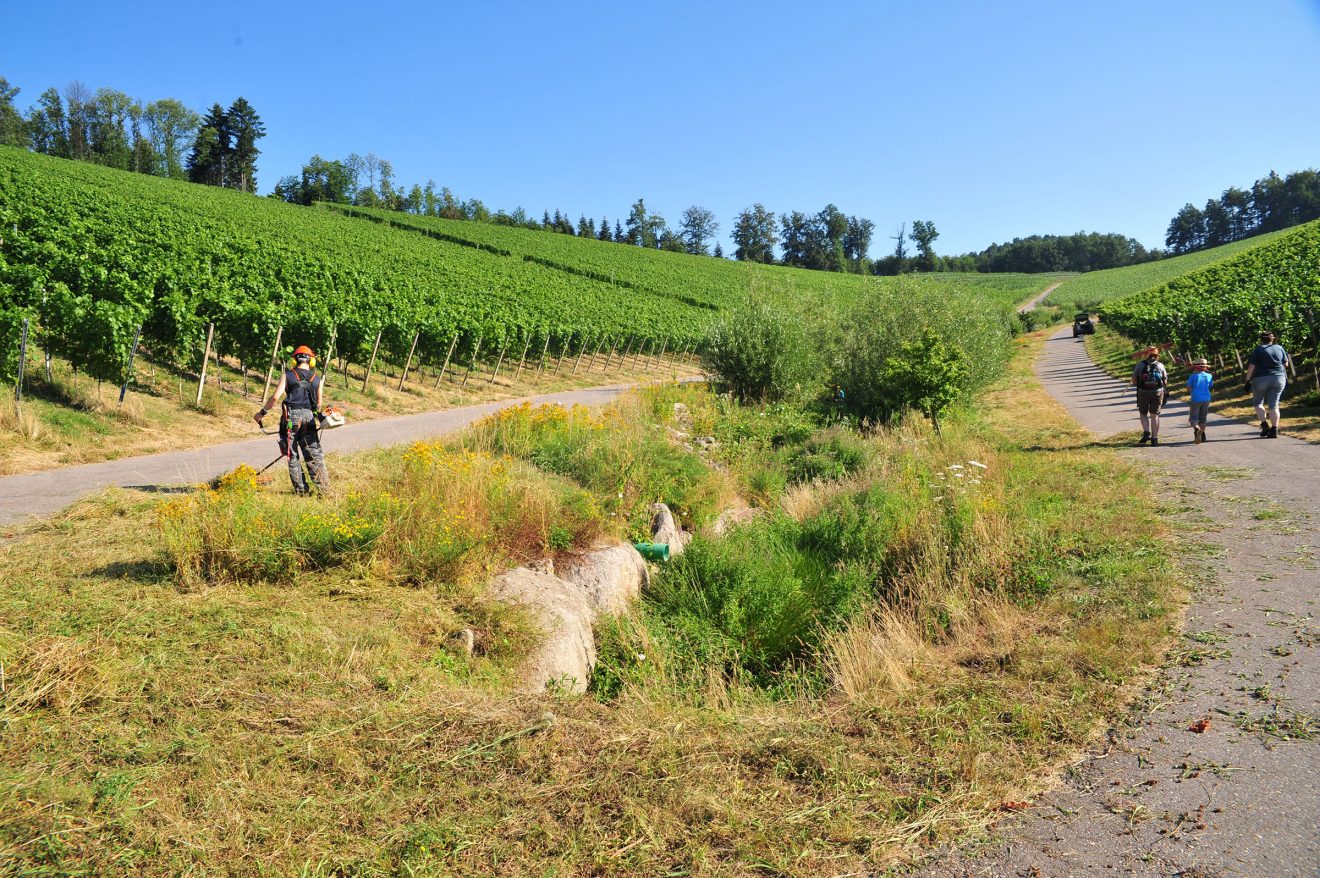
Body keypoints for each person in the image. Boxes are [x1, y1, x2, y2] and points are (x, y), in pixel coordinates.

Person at [255, 345, 330, 494]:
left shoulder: (287, 375)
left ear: (295, 359)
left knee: (292, 455)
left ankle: (302, 491)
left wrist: (261, 413)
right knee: (314, 455)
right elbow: (319, 404)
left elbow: (276, 397)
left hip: (290, 418)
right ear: (311, 361)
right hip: (308, 419)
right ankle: (324, 491)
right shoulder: (317, 379)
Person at [1245, 331, 1290, 439]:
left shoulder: (1258, 349)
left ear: (1261, 339)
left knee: (1258, 403)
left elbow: (1251, 366)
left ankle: (1265, 425)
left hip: (1260, 378)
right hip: (1278, 378)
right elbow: (1286, 364)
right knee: (1274, 405)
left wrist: (1247, 381)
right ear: (1272, 339)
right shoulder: (1279, 348)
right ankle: (1274, 429)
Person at [1131, 348, 1168, 446]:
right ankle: (1154, 439)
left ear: (1146, 354)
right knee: (1154, 415)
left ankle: (1146, 432)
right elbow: (1165, 381)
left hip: (1143, 392)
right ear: (1156, 355)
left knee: (1143, 413)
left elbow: (1134, 380)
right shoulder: (1160, 365)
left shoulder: (1140, 365)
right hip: (1157, 392)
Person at [1186, 357, 1213, 444]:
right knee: (1203, 418)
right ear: (1205, 367)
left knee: (1193, 418)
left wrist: (1192, 391)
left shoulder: (1193, 376)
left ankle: (1197, 428)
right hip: (1206, 398)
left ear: (1195, 367)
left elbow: (1188, 388)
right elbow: (1210, 386)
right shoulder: (1209, 376)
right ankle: (1202, 436)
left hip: (1196, 398)